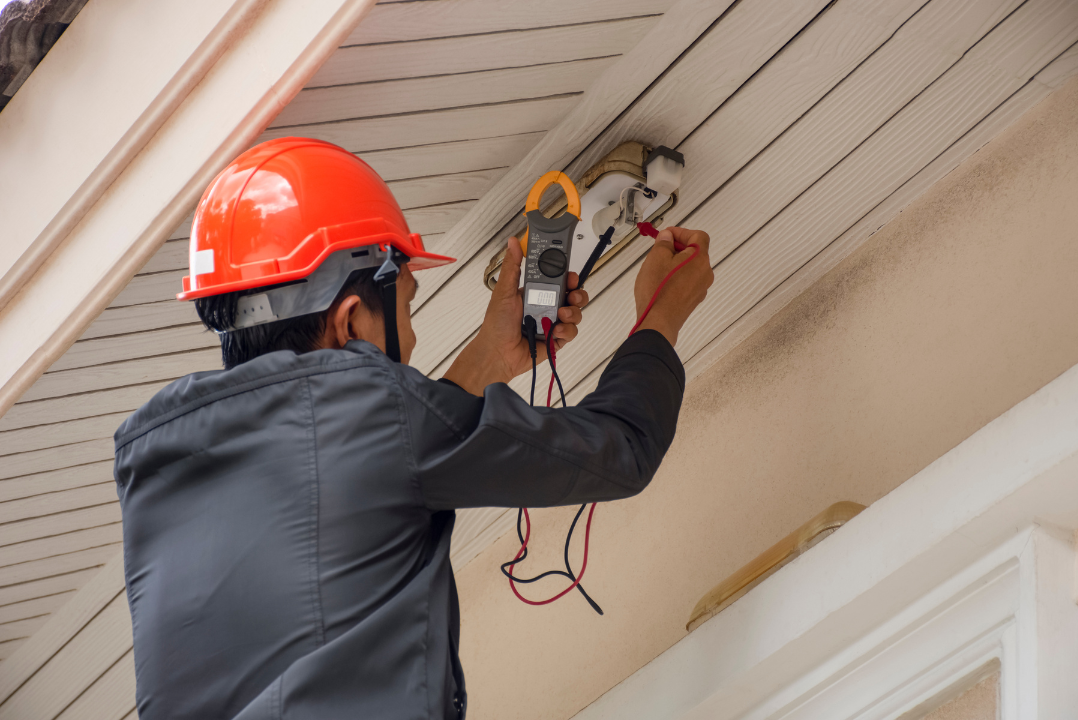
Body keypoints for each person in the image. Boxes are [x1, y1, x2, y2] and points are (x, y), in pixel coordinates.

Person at [113, 137, 713, 719]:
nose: (415, 338)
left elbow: (366, 461)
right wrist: (660, 316)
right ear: (349, 322)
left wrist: (490, 359)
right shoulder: (373, 415)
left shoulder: (156, 475)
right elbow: (622, 449)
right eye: (406, 306)